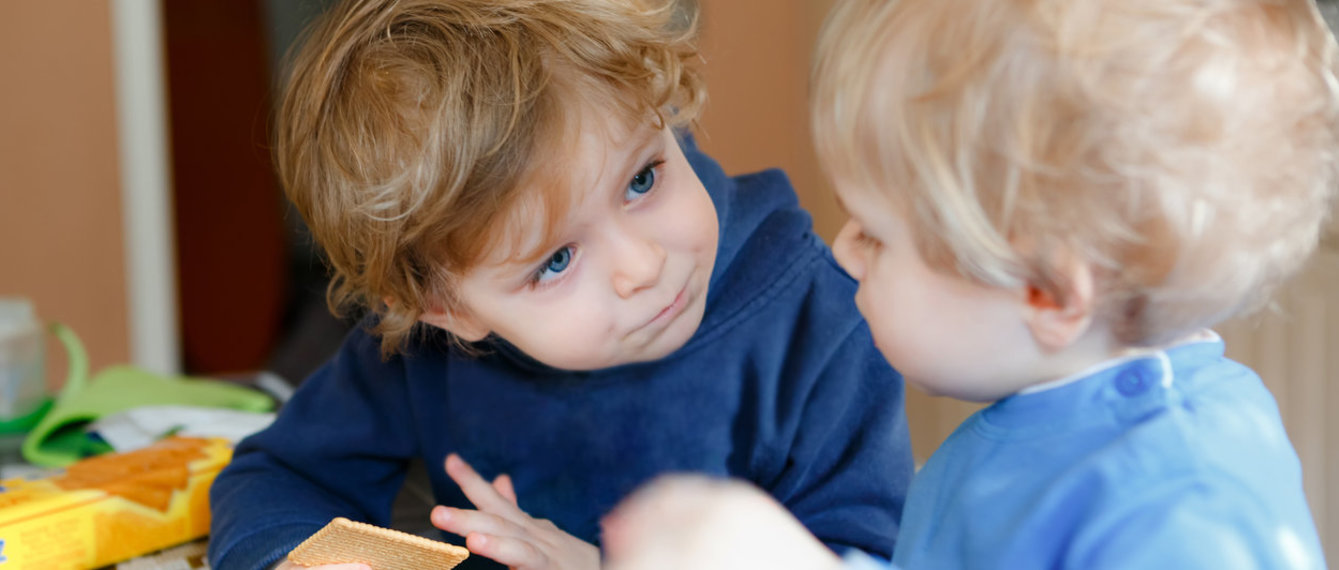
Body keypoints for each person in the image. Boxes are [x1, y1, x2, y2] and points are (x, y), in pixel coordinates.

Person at [600, 0, 1339, 568]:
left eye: (876, 235)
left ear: (1046, 293)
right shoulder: (1039, 421)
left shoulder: (1179, 508)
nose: (846, 254)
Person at [205, 0, 915, 569]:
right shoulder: (428, 354)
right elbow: (275, 480)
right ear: (446, 309)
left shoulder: (817, 319)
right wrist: (302, 560)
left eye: (642, 180)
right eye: (555, 262)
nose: (641, 268)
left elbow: (868, 555)